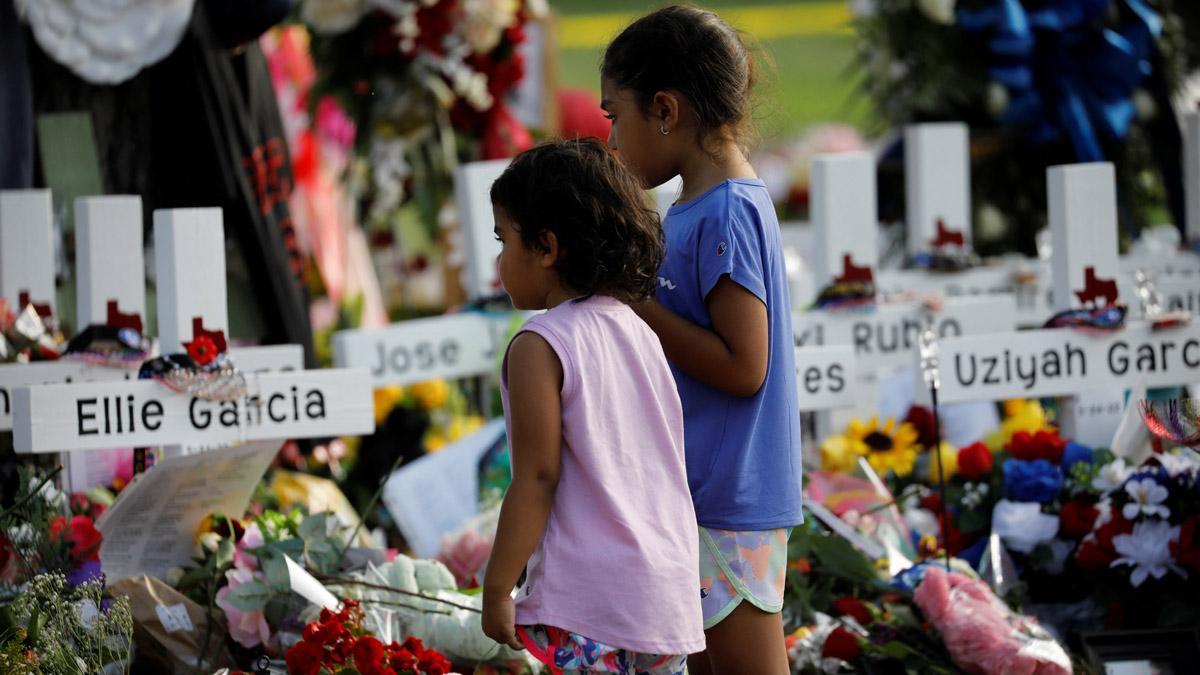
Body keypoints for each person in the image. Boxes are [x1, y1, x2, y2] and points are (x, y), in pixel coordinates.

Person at [601, 6, 803, 674]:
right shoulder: (694, 206)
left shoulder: (728, 209)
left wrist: (634, 302)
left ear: (664, 109)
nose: (612, 139)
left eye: (614, 116)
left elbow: (746, 365)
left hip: (730, 498)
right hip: (701, 493)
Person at [480, 139, 705, 674]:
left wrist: (496, 586)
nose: (498, 261)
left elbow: (536, 477)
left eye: (503, 239)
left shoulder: (541, 343)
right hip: (665, 592)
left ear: (546, 247)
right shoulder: (639, 330)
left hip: (591, 600)